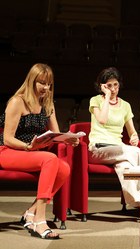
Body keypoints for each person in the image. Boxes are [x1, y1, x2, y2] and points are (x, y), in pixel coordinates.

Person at [0, 63, 79, 239]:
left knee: (64, 167)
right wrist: (28, 147)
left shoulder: (48, 104)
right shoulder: (17, 101)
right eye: (42, 83)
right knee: (50, 159)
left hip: (31, 153)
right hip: (7, 151)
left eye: (49, 84)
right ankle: (40, 220)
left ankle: (31, 212)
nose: (46, 88)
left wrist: (68, 139)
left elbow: (56, 134)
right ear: (31, 81)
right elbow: (7, 138)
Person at [87, 67, 140, 223]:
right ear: (102, 86)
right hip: (98, 149)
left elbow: (132, 132)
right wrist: (105, 97)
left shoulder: (125, 105)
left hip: (118, 152)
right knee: (136, 152)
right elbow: (103, 119)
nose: (113, 89)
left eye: (115, 85)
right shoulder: (96, 101)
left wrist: (133, 137)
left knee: (126, 168)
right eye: (109, 85)